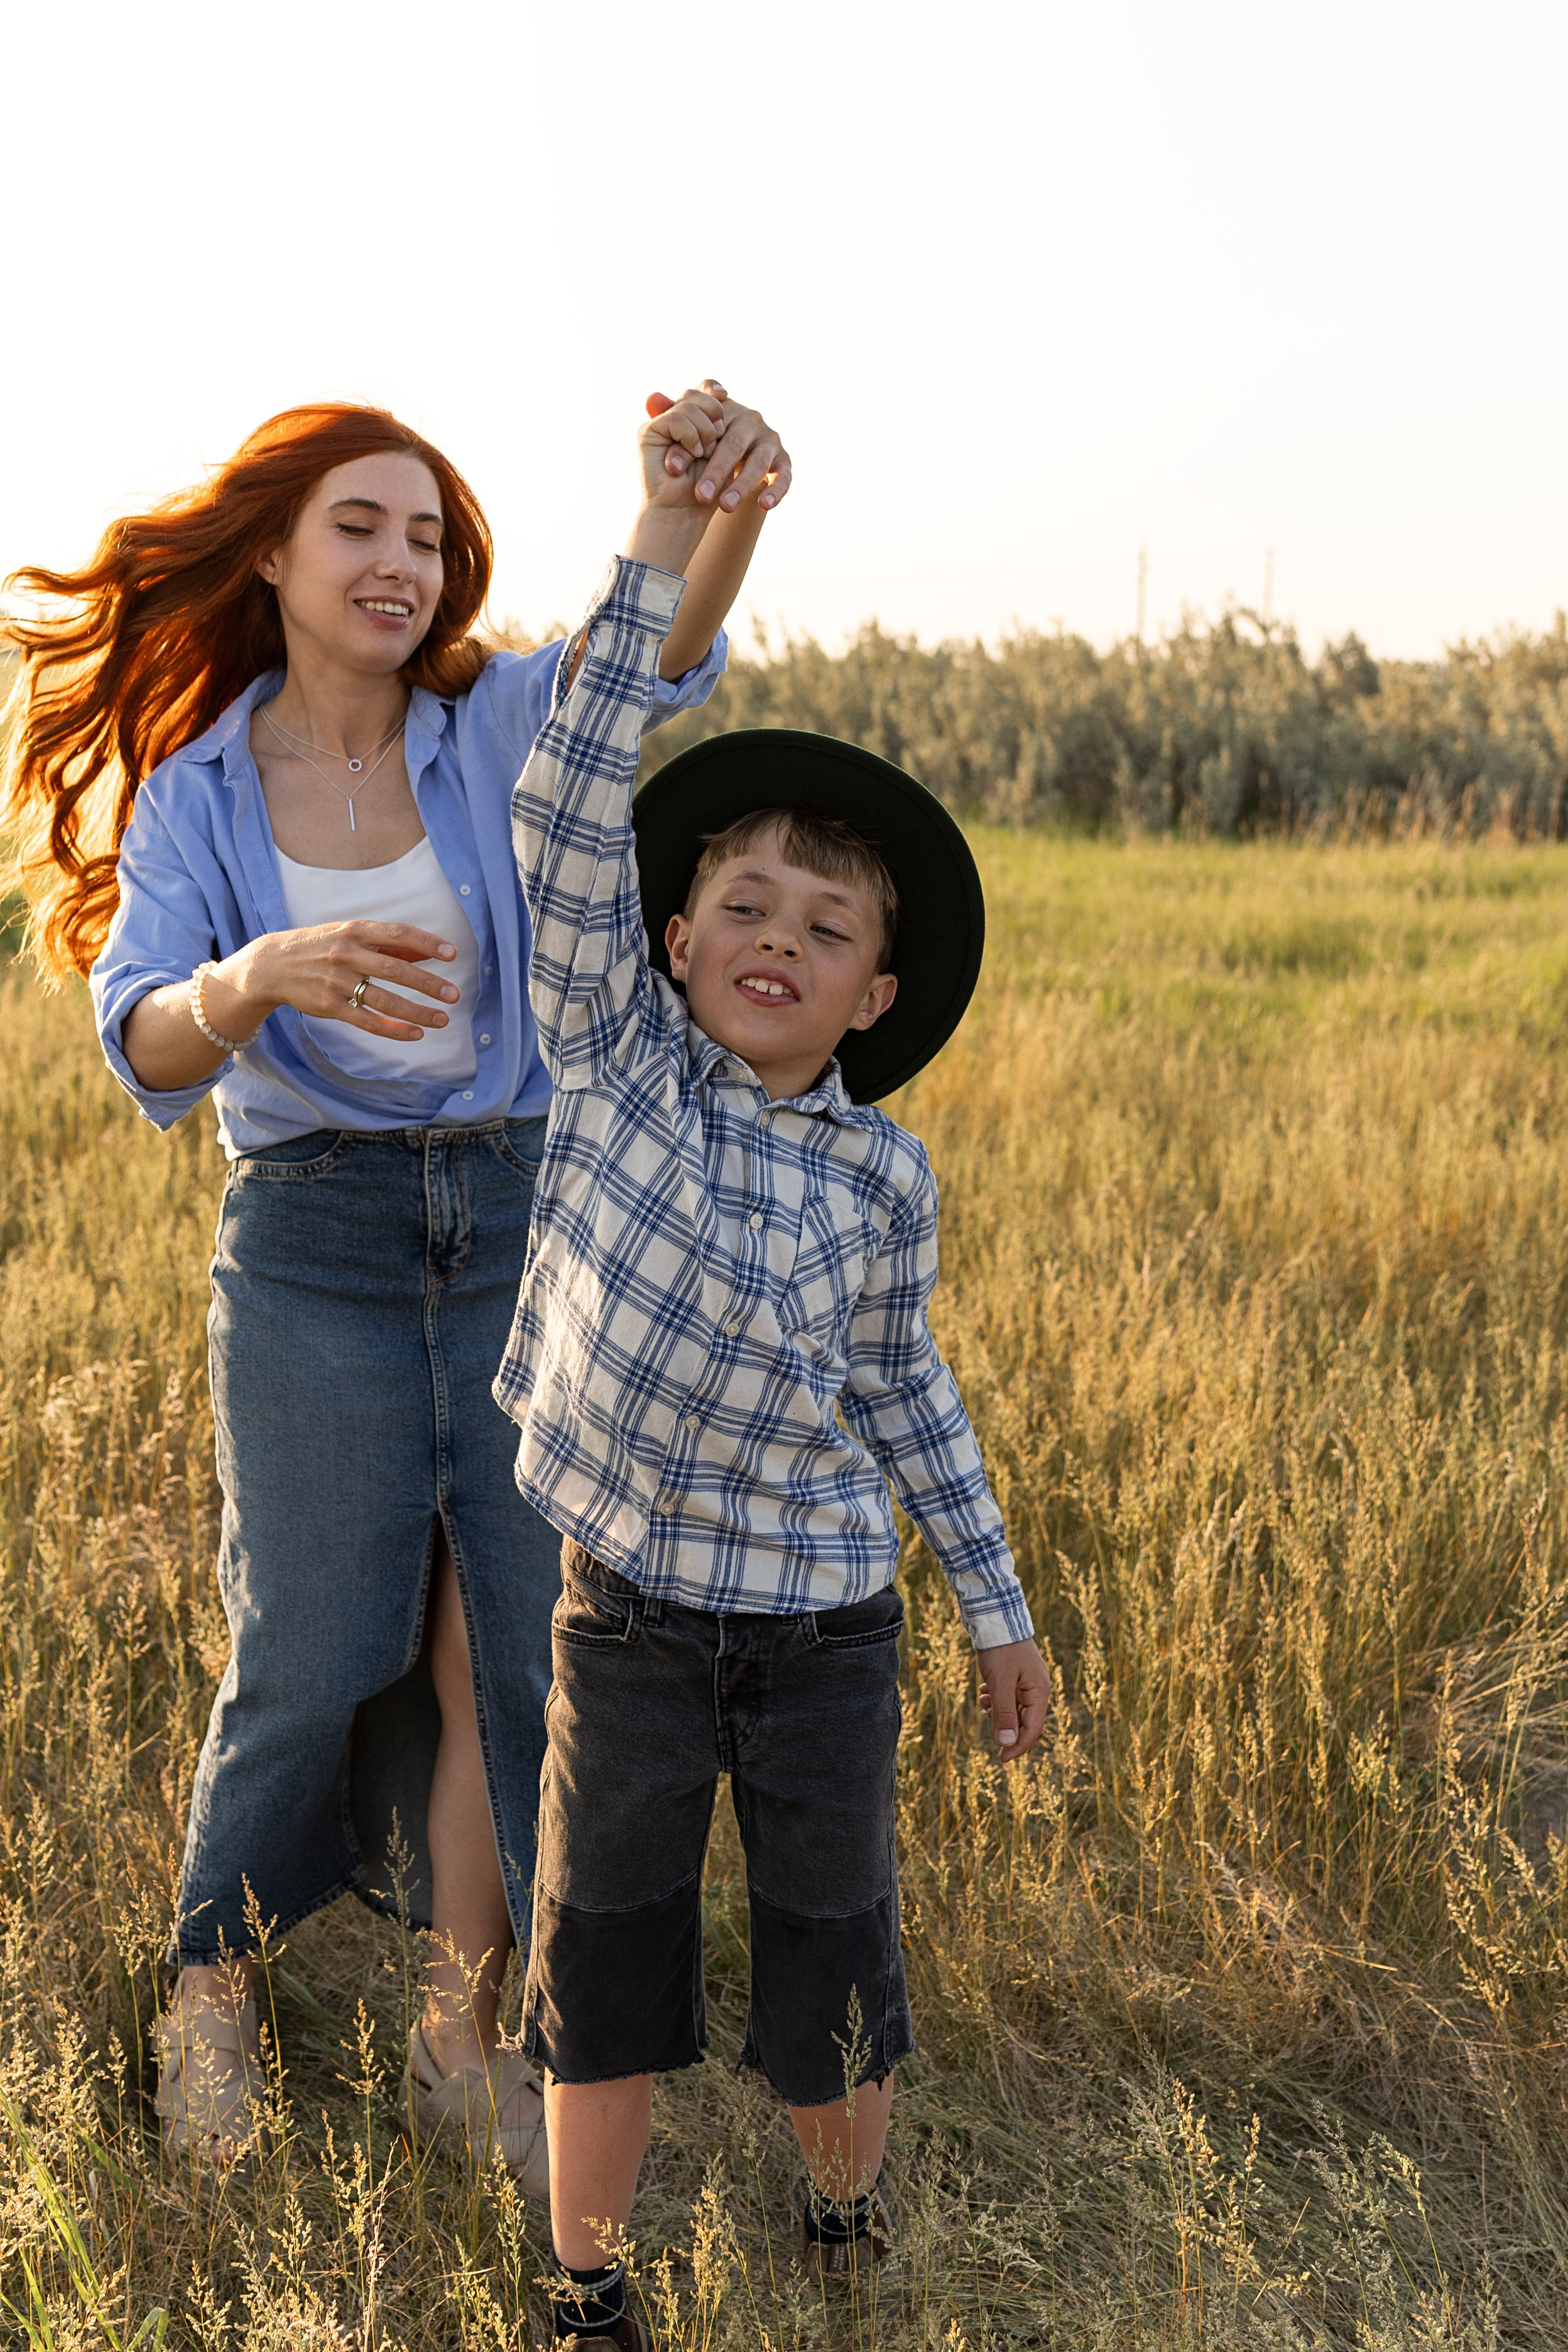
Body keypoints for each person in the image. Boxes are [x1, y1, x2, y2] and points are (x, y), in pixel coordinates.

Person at [1, 386, 789, 2178]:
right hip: (316, 1245)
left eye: (426, 535)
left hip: (525, 1223)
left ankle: (467, 2028)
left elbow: (643, 664)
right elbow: (141, 1035)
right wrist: (258, 971)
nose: (399, 562)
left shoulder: (495, 714)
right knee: (313, 1646)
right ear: (272, 552)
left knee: (516, 1647)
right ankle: (211, 1988)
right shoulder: (201, 789)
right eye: (359, 526)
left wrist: (703, 504)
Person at [498, 409, 1051, 2349]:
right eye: (741, 907)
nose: (778, 943)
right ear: (667, 937)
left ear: (876, 996)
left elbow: (907, 1392)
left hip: (824, 1626)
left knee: (832, 1942)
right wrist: (663, 533)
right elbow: (566, 798)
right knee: (608, 1938)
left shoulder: (882, 1172)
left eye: (828, 930)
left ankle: (846, 2222)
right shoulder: (615, 1057)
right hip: (628, 1615)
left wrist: (994, 1603)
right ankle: (586, 2278)